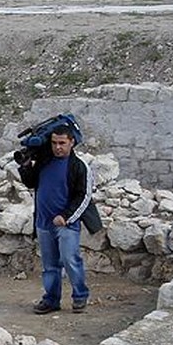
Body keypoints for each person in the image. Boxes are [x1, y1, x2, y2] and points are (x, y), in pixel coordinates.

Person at [18, 124, 101, 314]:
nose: (57, 147)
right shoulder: (44, 161)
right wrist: (25, 167)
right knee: (49, 266)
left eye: (62, 143)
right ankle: (51, 300)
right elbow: (31, 183)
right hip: (43, 222)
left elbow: (84, 196)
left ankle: (80, 296)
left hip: (67, 224)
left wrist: (66, 216)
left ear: (72, 142)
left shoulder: (79, 166)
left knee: (70, 259)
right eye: (54, 143)